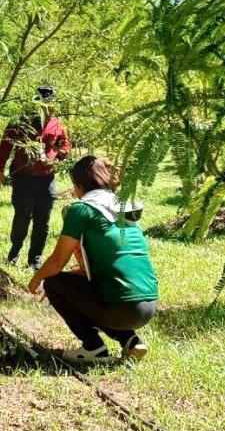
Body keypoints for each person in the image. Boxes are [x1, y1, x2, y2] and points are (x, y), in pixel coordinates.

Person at [27, 156, 158, 364]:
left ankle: (93, 347)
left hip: (121, 308)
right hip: (149, 305)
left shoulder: (82, 209)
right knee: (86, 288)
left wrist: (36, 280)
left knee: (54, 282)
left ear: (78, 185)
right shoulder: (124, 208)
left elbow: (57, 261)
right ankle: (130, 340)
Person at [0, 86, 71, 269]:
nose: (47, 107)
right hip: (23, 178)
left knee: (42, 221)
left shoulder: (57, 123)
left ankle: (35, 258)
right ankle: (14, 252)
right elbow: (5, 145)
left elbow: (65, 145)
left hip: (47, 180)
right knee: (22, 217)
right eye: (44, 103)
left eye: (50, 104)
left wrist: (57, 156)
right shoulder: (20, 121)